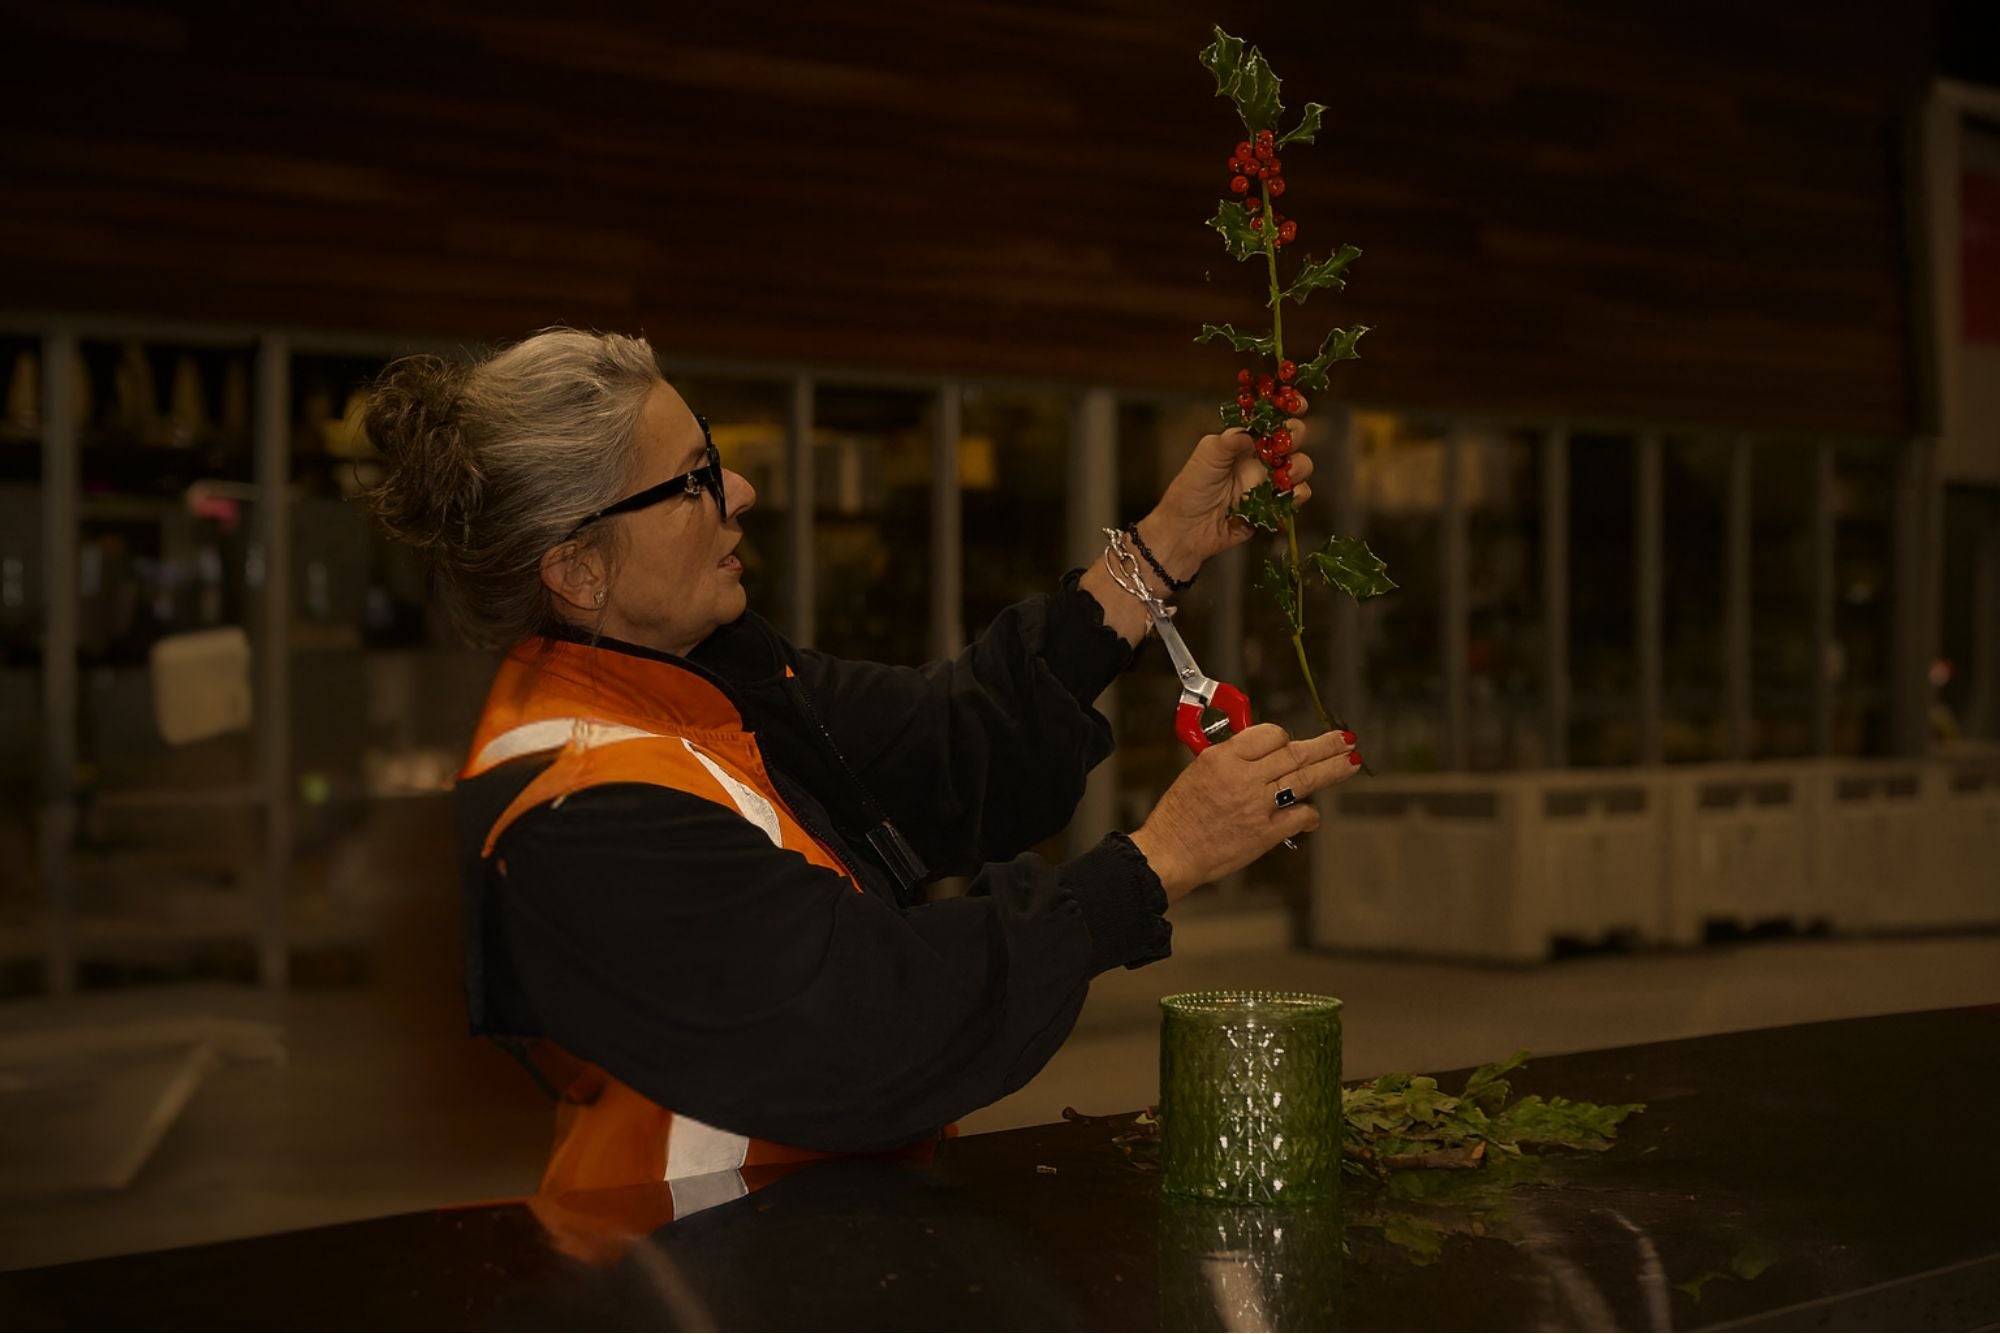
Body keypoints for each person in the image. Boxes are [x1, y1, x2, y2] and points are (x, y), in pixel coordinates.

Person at [365, 328, 1362, 1198]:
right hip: (701, 1254)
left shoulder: (693, 675)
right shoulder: (580, 807)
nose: (740, 492)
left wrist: (1155, 554)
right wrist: (1162, 857)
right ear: (579, 567)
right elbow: (873, 1019)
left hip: (808, 1229)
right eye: (694, 479)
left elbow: (942, 745)